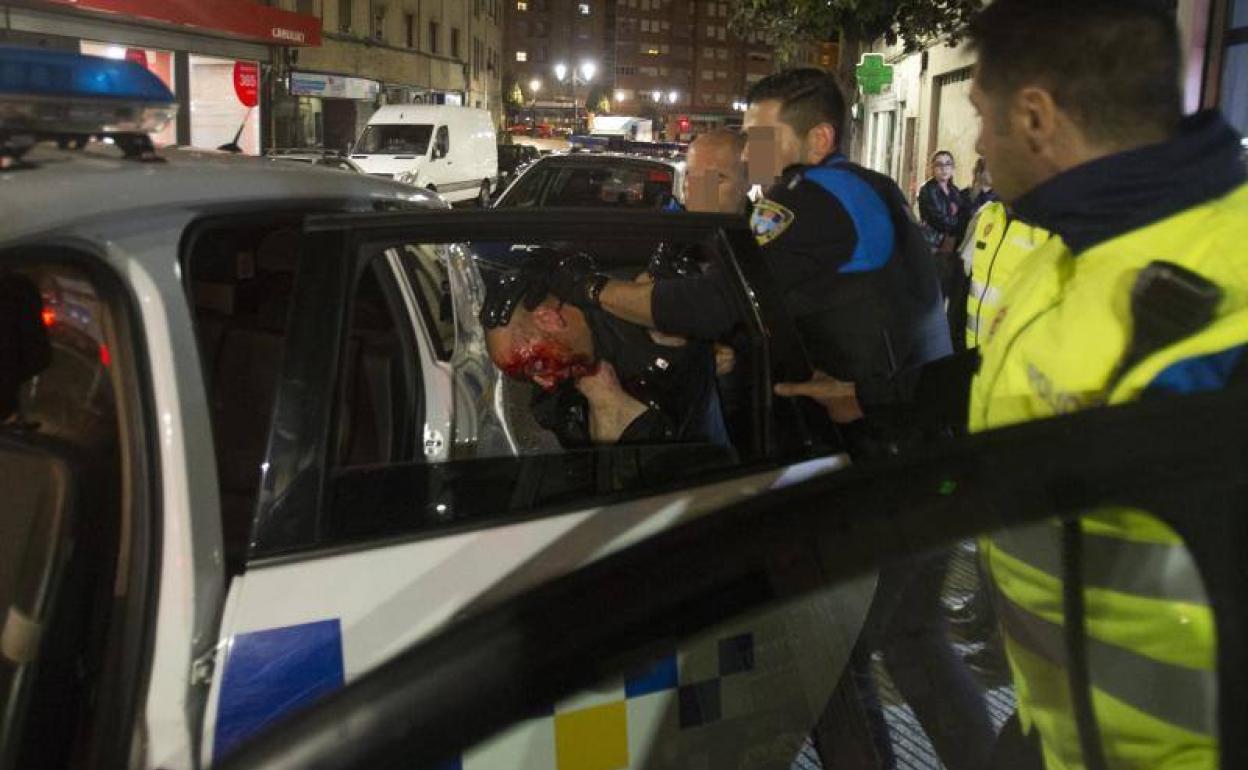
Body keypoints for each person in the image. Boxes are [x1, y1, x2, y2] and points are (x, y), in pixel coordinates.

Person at [785, 2, 1248, 768]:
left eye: (981, 116)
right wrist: (867, 398)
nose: (979, 146)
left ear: (1034, 116)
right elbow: (1006, 379)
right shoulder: (1076, 247)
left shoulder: (1223, 300)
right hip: (1057, 731)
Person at [479, 252, 728, 448]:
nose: (543, 382)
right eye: (524, 377)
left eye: (535, 365)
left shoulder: (635, 308)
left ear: (548, 319)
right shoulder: (560, 396)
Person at [920, 150, 973, 340]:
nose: (944, 168)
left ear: (953, 168)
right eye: (939, 165)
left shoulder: (955, 192)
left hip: (951, 249)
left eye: (948, 164)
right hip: (933, 248)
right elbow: (938, 219)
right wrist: (958, 222)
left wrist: (958, 221)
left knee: (949, 293)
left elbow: (962, 216)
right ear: (932, 168)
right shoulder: (927, 190)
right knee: (934, 293)